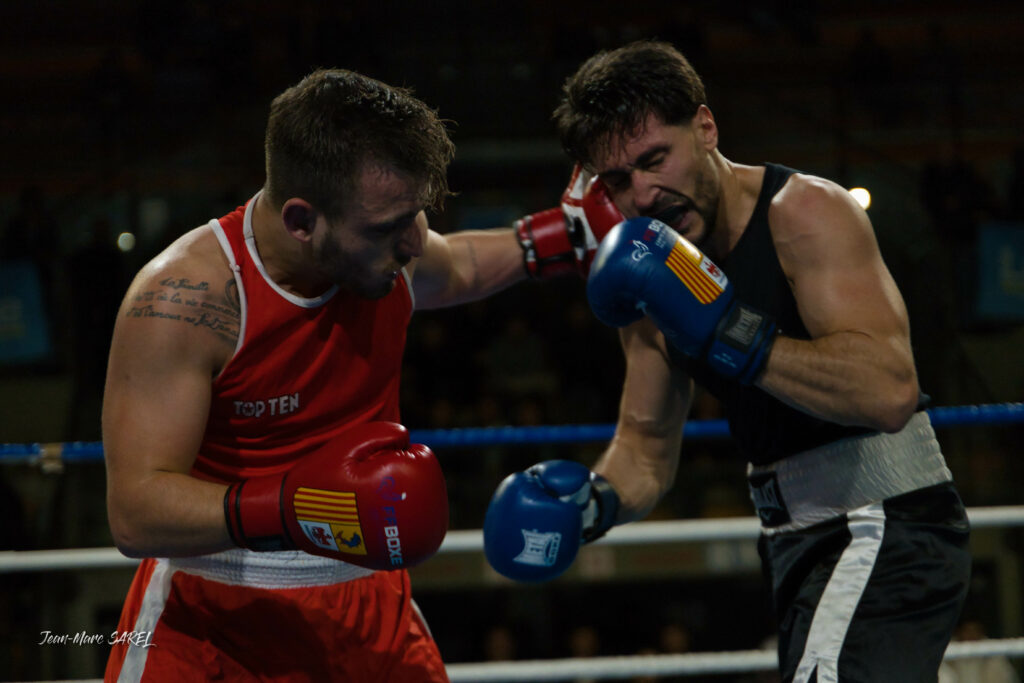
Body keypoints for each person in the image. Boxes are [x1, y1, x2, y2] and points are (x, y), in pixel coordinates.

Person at [483, 41, 971, 683]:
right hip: (795, 538)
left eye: (656, 159)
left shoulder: (804, 212)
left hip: (885, 521)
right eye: (619, 181)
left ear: (706, 127)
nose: (645, 193)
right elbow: (647, 446)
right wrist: (591, 504)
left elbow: (888, 392)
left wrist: (732, 334)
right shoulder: (646, 272)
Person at [102, 68, 541, 682]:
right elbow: (135, 510)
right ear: (302, 221)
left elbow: (463, 262)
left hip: (368, 605)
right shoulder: (188, 298)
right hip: (214, 611)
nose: (415, 244)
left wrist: (564, 235)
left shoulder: (387, 251)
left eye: (417, 215)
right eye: (390, 227)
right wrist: (295, 506)